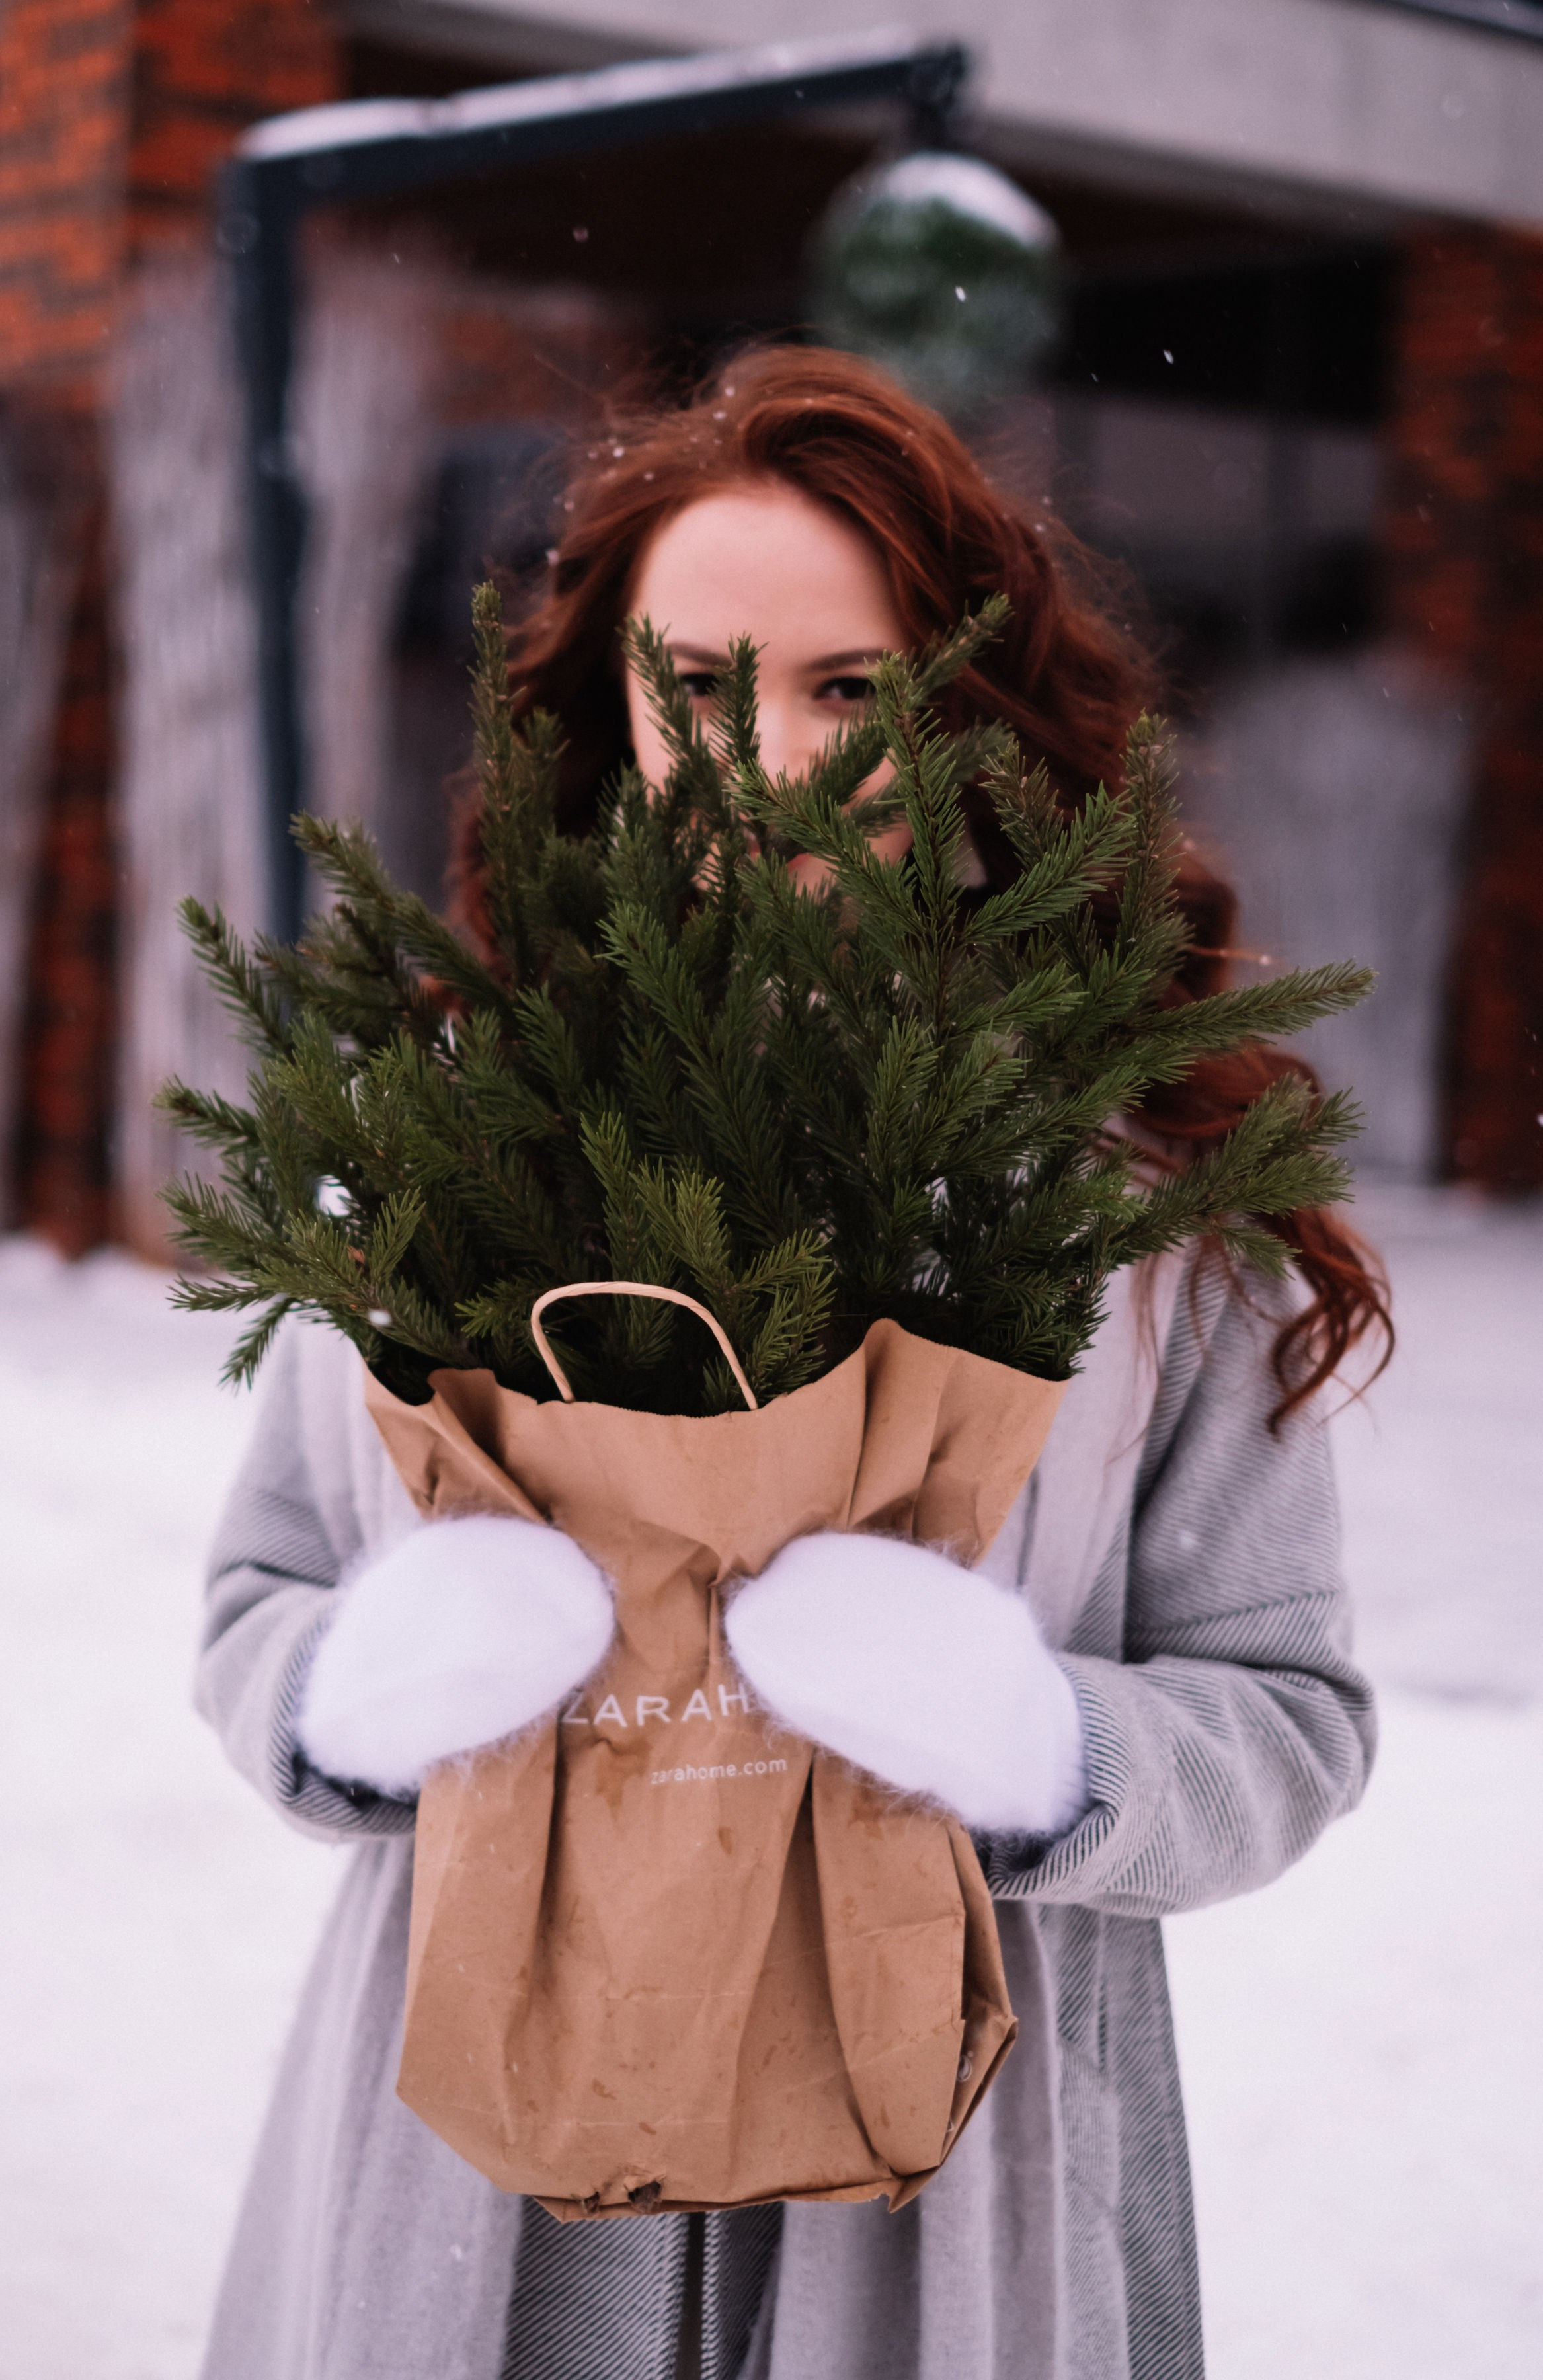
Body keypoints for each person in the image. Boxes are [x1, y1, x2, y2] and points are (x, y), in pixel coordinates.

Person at [194, 347, 1389, 2380]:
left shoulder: (1146, 1209)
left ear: (975, 726)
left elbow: (1291, 1716)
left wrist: (1044, 1746)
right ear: (609, 724)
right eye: (697, 687)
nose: (774, 763)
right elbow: (259, 1605)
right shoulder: (456, 1143)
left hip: (957, 2189)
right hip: (487, 2171)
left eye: (851, 689)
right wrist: (365, 1687)